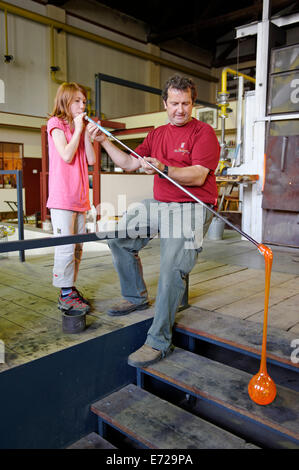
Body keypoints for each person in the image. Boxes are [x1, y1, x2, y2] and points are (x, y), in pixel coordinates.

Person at [87, 75, 220, 367]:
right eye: (174, 103)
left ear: (193, 104)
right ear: (165, 103)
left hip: (194, 207)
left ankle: (159, 340)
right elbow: (130, 163)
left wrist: (163, 168)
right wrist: (105, 142)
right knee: (118, 237)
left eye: (186, 103)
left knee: (172, 266)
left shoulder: (204, 132)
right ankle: (135, 296)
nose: (180, 109)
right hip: (161, 204)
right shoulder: (156, 134)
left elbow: (198, 175)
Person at [47, 82, 96, 313]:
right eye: (77, 100)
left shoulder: (80, 126)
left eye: (84, 101)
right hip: (62, 197)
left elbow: (91, 160)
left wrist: (86, 131)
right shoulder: (55, 124)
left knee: (77, 247)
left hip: (79, 196)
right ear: (65, 100)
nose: (82, 104)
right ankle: (65, 294)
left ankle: (69, 287)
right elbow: (66, 155)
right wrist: (77, 129)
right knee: (65, 247)